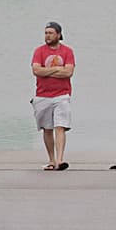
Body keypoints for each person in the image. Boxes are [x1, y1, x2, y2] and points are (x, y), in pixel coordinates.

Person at [31, 21, 75, 171]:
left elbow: (68, 72)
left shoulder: (67, 51)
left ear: (58, 34)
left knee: (60, 126)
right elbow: (37, 70)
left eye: (50, 33)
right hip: (42, 95)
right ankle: (51, 159)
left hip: (62, 95)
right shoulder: (39, 51)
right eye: (46, 33)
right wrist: (57, 69)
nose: (47, 36)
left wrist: (47, 70)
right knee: (47, 128)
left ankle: (60, 160)